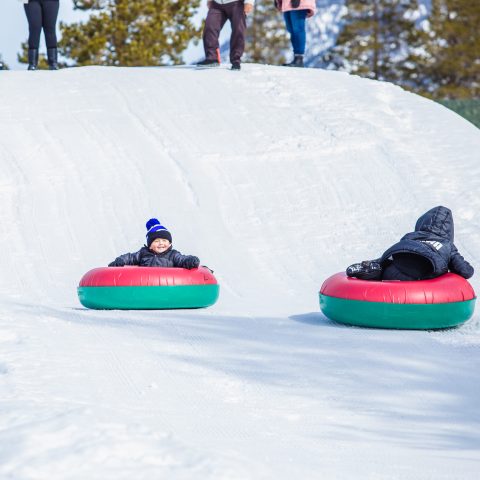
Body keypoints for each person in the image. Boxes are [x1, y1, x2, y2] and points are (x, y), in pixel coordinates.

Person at [346, 206, 474, 281]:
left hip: (394, 269)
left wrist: (380, 261)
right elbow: (465, 271)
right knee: (423, 268)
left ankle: (372, 267)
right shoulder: (447, 245)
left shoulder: (412, 236)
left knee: (388, 263)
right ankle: (376, 268)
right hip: (422, 274)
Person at [108, 218, 201, 269]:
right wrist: (120, 261)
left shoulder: (173, 255)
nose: (161, 243)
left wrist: (191, 260)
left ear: (169, 244)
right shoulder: (143, 253)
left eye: (164, 241)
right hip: (145, 285)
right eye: (156, 241)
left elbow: (182, 259)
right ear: (150, 245)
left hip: (166, 286)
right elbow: (130, 257)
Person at [197, 0, 255, 71]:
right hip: (217, 4)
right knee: (210, 27)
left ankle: (236, 61)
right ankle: (212, 58)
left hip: (236, 3)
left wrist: (249, 2)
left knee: (238, 30)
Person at [275, 0, 316, 68]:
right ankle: (296, 58)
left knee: (298, 28)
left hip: (300, 2)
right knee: (291, 29)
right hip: (286, 2)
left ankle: (299, 59)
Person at [21, 0, 59, 71]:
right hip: (32, 1)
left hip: (52, 2)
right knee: (34, 28)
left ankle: (53, 63)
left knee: (50, 28)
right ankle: (32, 64)